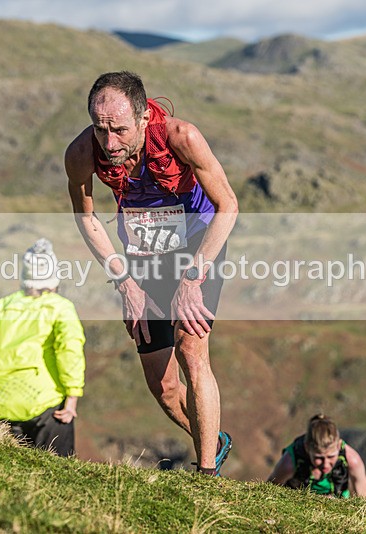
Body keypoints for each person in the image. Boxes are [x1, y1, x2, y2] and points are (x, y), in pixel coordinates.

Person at [64, 71, 238, 476]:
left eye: (120, 130)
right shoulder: (81, 153)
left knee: (191, 350)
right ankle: (214, 438)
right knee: (163, 385)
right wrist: (124, 282)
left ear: (143, 119)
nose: (110, 143)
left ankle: (206, 474)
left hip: (198, 245)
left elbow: (228, 205)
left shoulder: (183, 137)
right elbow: (86, 218)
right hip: (142, 254)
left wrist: (192, 279)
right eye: (100, 128)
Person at [0, 238, 86, 457]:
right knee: (58, 478)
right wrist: (72, 395)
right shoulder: (61, 308)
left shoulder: (1, 307)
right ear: (54, 278)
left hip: (2, 408)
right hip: (48, 407)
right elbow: (69, 350)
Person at [267, 414, 366, 498]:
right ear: (307, 448)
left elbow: (365, 504)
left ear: (339, 447)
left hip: (339, 507)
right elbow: (269, 491)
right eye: (318, 458)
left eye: (331, 457)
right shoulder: (289, 463)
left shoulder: (352, 461)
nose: (325, 464)